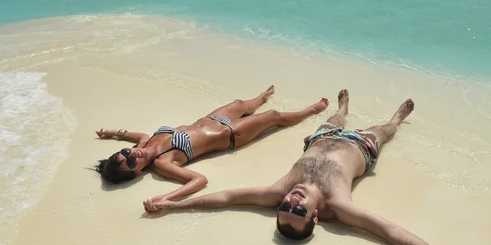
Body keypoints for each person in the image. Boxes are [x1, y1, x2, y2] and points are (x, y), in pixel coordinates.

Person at [143, 89, 491, 245]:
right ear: (315, 216)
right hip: (362, 147)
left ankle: (343, 108)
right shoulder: (337, 205)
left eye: (286, 207)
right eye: (298, 212)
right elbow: (392, 233)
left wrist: (174, 206)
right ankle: (396, 119)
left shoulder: (280, 190)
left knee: (334, 119)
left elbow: (226, 199)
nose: (292, 202)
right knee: (385, 130)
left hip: (321, 138)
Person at [95, 85, 329, 201]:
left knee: (241, 102)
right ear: (136, 173)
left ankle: (260, 98)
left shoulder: (145, 144)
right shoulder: (162, 164)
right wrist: (168, 198)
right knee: (273, 117)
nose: (132, 153)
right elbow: (199, 180)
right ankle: (310, 110)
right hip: (229, 135)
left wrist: (114, 132)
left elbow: (135, 136)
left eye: (125, 152)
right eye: (131, 161)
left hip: (211, 119)